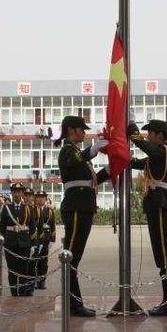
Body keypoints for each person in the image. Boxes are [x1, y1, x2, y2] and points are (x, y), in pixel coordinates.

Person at [54, 115, 110, 317]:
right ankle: (74, 304)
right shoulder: (67, 150)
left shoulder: (77, 152)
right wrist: (93, 150)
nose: (84, 133)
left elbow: (90, 181)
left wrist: (109, 170)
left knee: (73, 258)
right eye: (82, 129)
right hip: (76, 207)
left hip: (83, 207)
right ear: (71, 130)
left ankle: (74, 303)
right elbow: (74, 160)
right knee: (71, 258)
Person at [128, 118, 167, 316]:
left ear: (159, 135)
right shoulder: (155, 155)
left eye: (150, 133)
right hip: (155, 206)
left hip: (161, 206)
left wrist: (132, 129)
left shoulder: (164, 150)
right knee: (161, 256)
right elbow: (137, 163)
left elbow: (145, 146)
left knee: (165, 256)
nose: (147, 137)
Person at [0, 183, 36, 297]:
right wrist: (6, 241)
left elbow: (32, 227)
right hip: (10, 244)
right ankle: (14, 294)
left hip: (24, 244)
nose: (17, 194)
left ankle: (23, 293)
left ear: (22, 194)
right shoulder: (6, 208)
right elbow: (2, 228)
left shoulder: (28, 208)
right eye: (15, 192)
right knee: (12, 271)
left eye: (19, 192)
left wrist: (32, 244)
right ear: (12, 193)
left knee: (23, 271)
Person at [33, 190, 56, 290]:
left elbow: (53, 226)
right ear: (35, 198)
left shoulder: (49, 211)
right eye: (38, 197)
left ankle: (42, 281)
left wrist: (52, 240)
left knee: (43, 261)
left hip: (45, 239)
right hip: (35, 239)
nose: (40, 199)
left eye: (42, 197)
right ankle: (33, 281)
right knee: (34, 261)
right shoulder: (32, 209)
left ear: (45, 199)